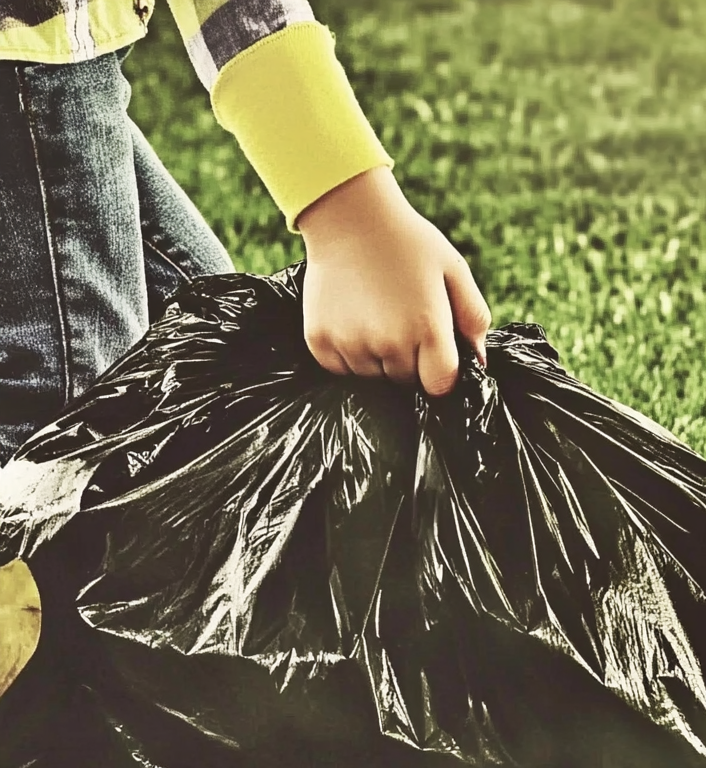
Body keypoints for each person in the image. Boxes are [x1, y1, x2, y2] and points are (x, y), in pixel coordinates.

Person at [0, 0, 493, 466]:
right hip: (28, 44)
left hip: (44, 47)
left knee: (199, 335)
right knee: (66, 424)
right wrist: (349, 213)